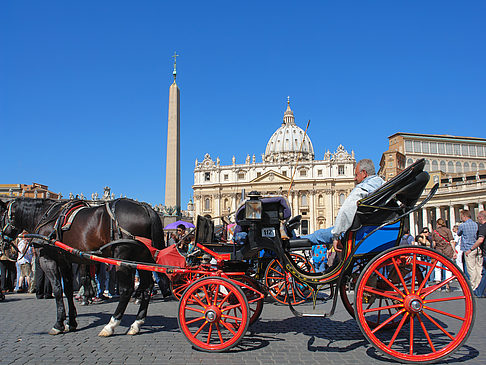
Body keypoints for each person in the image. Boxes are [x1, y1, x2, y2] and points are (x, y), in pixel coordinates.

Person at [302, 159, 385, 254]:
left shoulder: (364, 187)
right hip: (377, 227)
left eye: (356, 175)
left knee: (319, 235)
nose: (354, 178)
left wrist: (336, 235)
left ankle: (293, 240)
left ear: (364, 173)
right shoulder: (383, 184)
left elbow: (346, 210)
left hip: (360, 230)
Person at [432, 218, 456, 292]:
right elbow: (452, 241)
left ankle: (438, 284)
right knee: (447, 268)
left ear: (437, 224)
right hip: (447, 250)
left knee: (438, 267)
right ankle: (447, 285)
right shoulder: (448, 230)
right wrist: (454, 251)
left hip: (439, 251)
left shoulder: (435, 232)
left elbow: (434, 244)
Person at [458, 210, 480, 290]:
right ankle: (479, 285)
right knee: (478, 268)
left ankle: (474, 286)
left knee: (471, 269)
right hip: (476, 247)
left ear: (464, 216)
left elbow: (458, 233)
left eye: (461, 217)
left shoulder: (463, 225)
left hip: (468, 248)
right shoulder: (476, 224)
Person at [467, 211, 486, 297]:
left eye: (478, 218)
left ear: (481, 218)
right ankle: (481, 291)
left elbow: (480, 240)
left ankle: (479, 291)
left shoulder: (482, 227)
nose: (477, 219)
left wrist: (471, 249)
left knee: (485, 273)